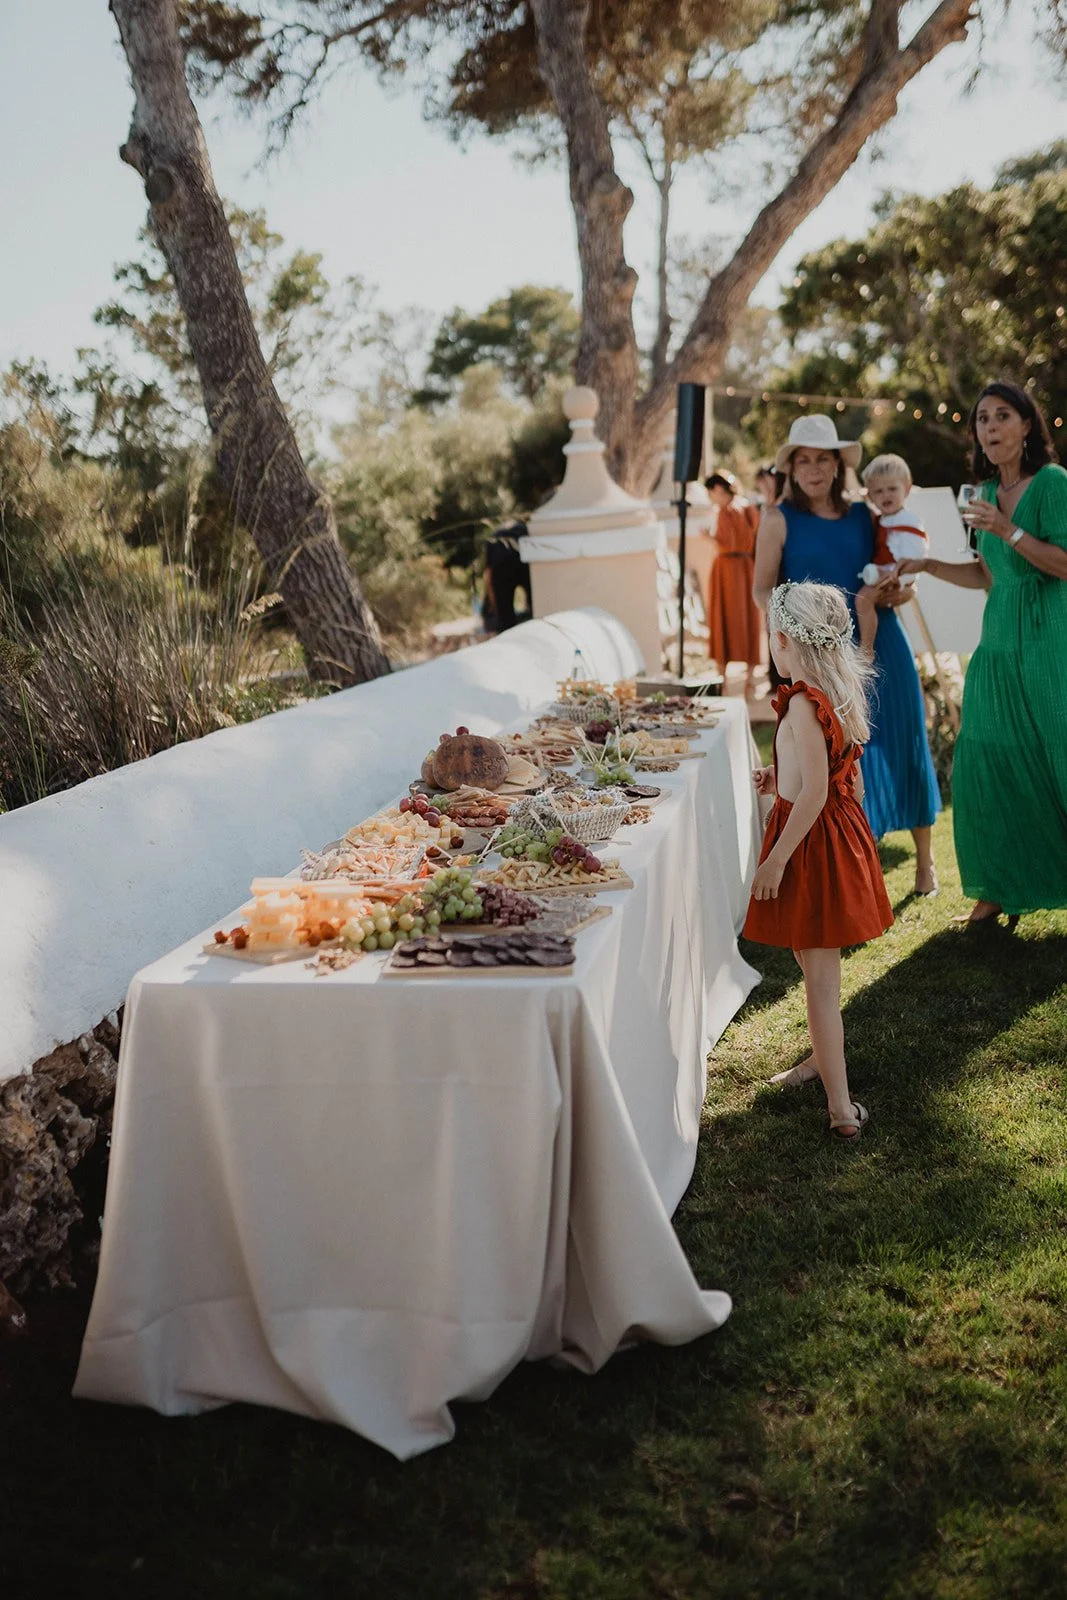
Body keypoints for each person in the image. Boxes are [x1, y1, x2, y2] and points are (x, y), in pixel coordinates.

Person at [897, 380, 1067, 929]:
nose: (989, 428)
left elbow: (1062, 563)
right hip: (997, 645)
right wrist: (929, 566)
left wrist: (1008, 530)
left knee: (1059, 759)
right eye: (982, 420)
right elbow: (989, 576)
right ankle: (997, 885)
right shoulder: (984, 493)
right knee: (987, 761)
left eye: (1001, 417)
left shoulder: (1054, 484)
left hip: (1050, 641)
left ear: (1026, 426)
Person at [754, 414, 942, 897]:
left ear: (838, 465)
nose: (814, 468)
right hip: (817, 659)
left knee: (903, 740)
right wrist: (791, 636)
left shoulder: (866, 515)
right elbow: (762, 591)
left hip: (881, 643)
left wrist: (898, 590)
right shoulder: (777, 519)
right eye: (804, 460)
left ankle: (926, 860)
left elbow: (893, 567)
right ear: (791, 468)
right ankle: (859, 859)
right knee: (841, 757)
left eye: (823, 459)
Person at [744, 581, 893, 1141]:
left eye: (771, 642)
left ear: (785, 641)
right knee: (813, 970)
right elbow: (824, 773)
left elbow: (812, 797)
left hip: (810, 847)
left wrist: (775, 862)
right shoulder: (824, 694)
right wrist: (774, 776)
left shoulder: (805, 706)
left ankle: (841, 1108)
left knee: (820, 986)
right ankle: (821, 1058)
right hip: (823, 838)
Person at [856, 453, 930, 655]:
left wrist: (901, 579)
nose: (886, 495)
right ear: (870, 496)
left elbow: (916, 555)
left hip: (895, 575)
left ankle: (866, 650)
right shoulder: (881, 519)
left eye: (892, 489)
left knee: (863, 598)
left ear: (906, 488)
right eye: (878, 491)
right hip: (884, 572)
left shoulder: (907, 522)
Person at [704, 470, 761, 694]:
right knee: (748, 618)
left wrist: (709, 537)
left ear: (719, 490)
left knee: (723, 618)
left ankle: (723, 678)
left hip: (728, 568)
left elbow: (727, 542)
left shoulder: (726, 511)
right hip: (746, 567)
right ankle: (749, 677)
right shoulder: (748, 507)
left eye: (712, 492)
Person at [482, 519, 530, 633]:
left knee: (505, 619)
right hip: (523, 560)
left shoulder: (495, 538)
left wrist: (493, 602)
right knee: (534, 612)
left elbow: (489, 574)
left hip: (501, 564)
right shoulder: (525, 530)